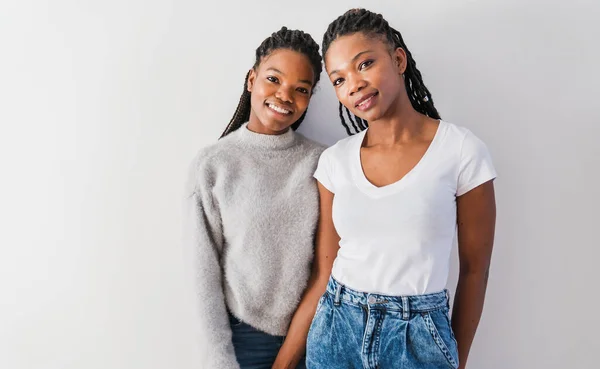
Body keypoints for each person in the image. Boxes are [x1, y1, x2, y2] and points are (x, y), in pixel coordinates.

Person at [273, 9, 497, 369]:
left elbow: (475, 272)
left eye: (364, 64)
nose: (354, 85)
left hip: (417, 338)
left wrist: (457, 362)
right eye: (339, 80)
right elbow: (324, 275)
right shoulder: (335, 162)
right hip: (336, 329)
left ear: (398, 59)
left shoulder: (461, 151)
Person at [183, 27, 324, 369]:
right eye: (274, 79)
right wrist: (220, 358)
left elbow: (329, 266)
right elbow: (202, 273)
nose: (284, 95)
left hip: (315, 339)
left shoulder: (322, 162)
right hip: (244, 342)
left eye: (300, 89)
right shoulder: (214, 164)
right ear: (251, 79)